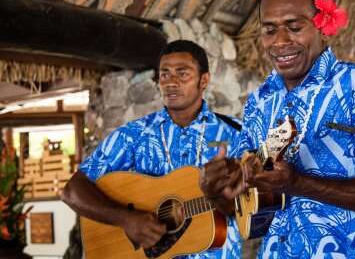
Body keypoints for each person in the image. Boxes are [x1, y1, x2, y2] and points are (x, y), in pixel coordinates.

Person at [199, 0, 355, 259]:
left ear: (323, 26)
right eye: (269, 30)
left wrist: (298, 184)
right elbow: (244, 208)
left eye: (294, 27)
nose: (280, 41)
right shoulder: (260, 102)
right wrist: (217, 191)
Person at [62, 40, 242, 259]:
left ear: (204, 80)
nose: (171, 82)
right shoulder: (133, 136)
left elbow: (251, 205)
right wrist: (126, 219)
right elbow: (73, 191)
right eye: (164, 74)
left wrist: (223, 199)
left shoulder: (236, 134)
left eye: (182, 74)